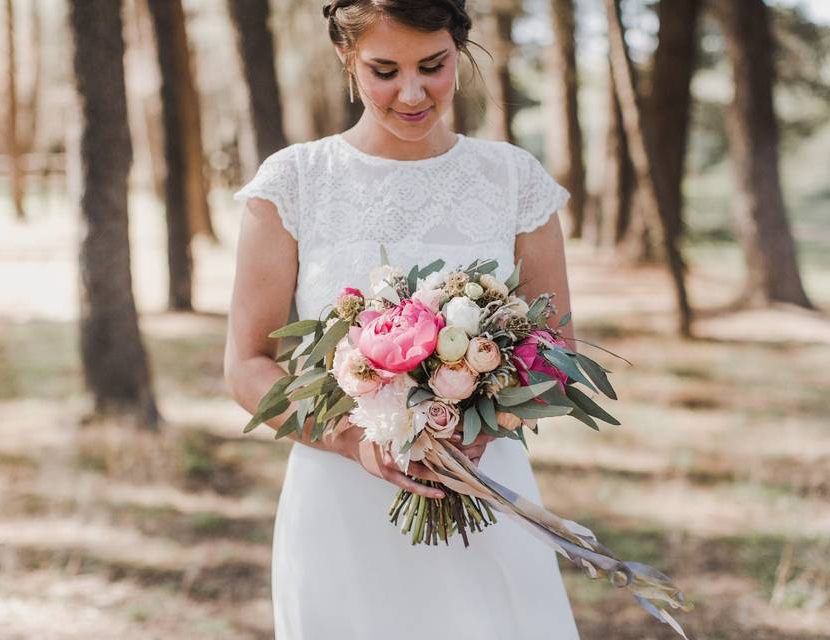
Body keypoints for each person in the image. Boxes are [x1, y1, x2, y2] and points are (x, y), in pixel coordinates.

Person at [224, 1, 578, 637]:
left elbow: (556, 352)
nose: (412, 93)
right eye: (384, 69)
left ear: (459, 50)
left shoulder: (513, 180)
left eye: (433, 66)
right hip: (338, 503)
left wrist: (482, 423)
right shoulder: (295, 182)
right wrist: (355, 443)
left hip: (482, 486)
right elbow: (246, 364)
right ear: (346, 57)